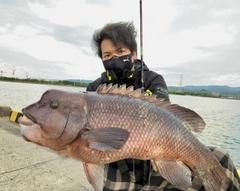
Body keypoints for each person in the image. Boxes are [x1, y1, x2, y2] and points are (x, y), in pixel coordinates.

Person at [86, 21, 240, 191]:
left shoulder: (153, 80)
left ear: (134, 53)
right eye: (107, 55)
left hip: (156, 167)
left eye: (120, 51)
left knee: (221, 158)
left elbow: (165, 118)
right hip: (118, 168)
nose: (114, 59)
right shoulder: (93, 90)